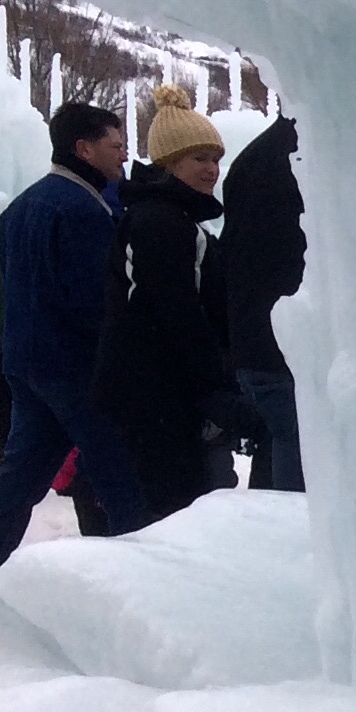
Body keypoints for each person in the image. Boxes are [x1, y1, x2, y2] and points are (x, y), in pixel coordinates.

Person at [0, 100, 148, 578]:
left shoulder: (18, 209)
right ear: (83, 149)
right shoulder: (84, 212)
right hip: (75, 366)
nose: (123, 157)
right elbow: (93, 300)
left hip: (23, 363)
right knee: (118, 475)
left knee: (20, 476)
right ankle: (148, 580)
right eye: (116, 146)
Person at [91, 84, 239, 526]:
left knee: (178, 499)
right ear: (170, 163)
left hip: (158, 390)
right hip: (154, 395)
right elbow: (174, 312)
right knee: (174, 509)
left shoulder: (171, 217)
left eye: (215, 159)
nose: (212, 170)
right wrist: (213, 384)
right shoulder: (159, 221)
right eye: (200, 159)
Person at [203, 111, 306, 490]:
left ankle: (270, 536)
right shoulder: (303, 155)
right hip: (287, 341)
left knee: (279, 440)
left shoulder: (250, 161)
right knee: (299, 445)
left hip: (252, 339)